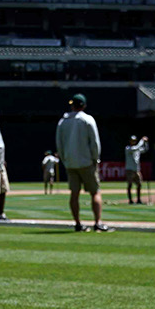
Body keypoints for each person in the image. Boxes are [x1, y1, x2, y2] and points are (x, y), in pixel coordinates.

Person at [55, 92, 108, 232]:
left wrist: (65, 160)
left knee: (74, 193)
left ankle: (78, 224)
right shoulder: (88, 120)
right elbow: (95, 142)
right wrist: (96, 159)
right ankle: (97, 223)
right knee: (95, 192)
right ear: (84, 105)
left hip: (70, 163)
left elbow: (59, 145)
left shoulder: (63, 121)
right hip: (86, 162)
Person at [124, 135, 149, 204]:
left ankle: (138, 199)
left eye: (135, 141)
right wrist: (142, 140)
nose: (133, 142)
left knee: (139, 184)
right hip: (130, 169)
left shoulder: (137, 149)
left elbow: (145, 149)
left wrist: (146, 143)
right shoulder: (128, 148)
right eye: (132, 140)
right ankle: (130, 200)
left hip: (136, 170)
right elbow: (136, 148)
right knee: (130, 185)